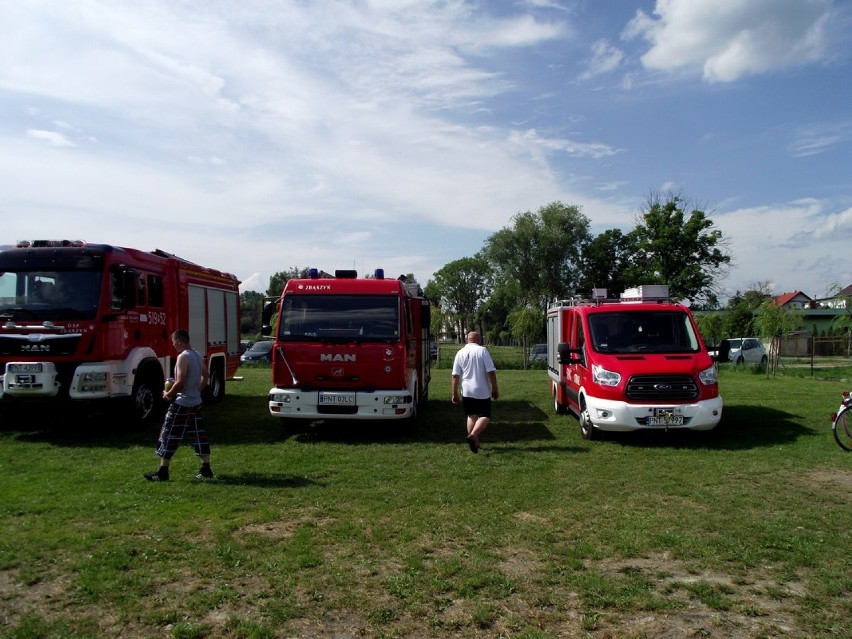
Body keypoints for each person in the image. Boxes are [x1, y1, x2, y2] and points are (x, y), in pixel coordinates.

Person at [144, 329, 213, 481]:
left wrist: (168, 394)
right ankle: (206, 468)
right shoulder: (196, 354)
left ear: (180, 341)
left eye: (174, 342)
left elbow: (180, 382)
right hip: (196, 402)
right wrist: (197, 391)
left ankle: (163, 472)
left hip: (182, 403)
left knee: (169, 434)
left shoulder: (183, 357)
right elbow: (206, 376)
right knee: (198, 434)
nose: (173, 344)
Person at [451, 331, 498, 453]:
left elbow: (455, 376)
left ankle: (475, 442)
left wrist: (454, 393)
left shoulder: (460, 352)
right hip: (481, 390)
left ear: (468, 340)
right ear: (479, 340)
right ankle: (473, 435)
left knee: (471, 415)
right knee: (485, 416)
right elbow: (491, 372)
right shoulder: (482, 351)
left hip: (466, 390)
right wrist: (495, 388)